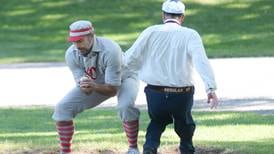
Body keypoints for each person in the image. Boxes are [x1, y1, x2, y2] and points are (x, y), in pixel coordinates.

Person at [123, 0, 219, 153]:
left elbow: (130, 57)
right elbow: (201, 62)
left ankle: (149, 148)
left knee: (156, 122)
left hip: (155, 92)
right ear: (182, 17)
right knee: (185, 122)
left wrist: (119, 75)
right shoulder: (190, 34)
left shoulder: (150, 31)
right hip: (182, 93)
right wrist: (210, 88)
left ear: (163, 15)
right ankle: (186, 148)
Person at [52, 20, 140, 154]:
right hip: (96, 82)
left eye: (80, 41)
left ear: (91, 35)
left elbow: (112, 90)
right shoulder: (71, 54)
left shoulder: (111, 50)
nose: (76, 46)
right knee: (62, 107)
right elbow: (84, 88)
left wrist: (93, 86)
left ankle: (133, 148)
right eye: (73, 41)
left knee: (125, 106)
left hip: (125, 77)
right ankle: (65, 151)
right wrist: (85, 88)